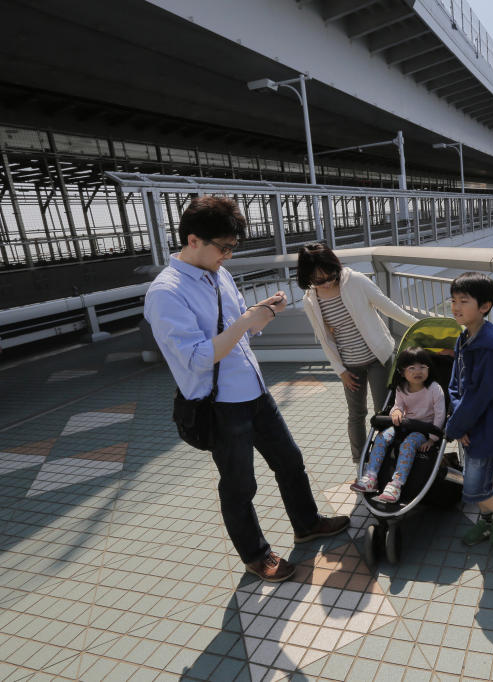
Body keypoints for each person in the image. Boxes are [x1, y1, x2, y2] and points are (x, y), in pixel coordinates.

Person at [144, 196, 349, 583]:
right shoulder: (166, 293)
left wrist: (262, 314)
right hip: (220, 404)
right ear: (193, 240)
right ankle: (256, 555)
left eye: (233, 248)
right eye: (224, 248)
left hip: (253, 389)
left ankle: (306, 523)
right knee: (240, 484)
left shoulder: (217, 272)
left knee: (290, 460)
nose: (229, 256)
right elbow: (199, 357)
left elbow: (237, 327)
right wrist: (246, 321)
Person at [298, 243, 417, 463]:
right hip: (349, 366)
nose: (326, 283)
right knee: (356, 415)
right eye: (318, 280)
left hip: (378, 359)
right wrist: (340, 370)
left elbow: (389, 308)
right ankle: (361, 462)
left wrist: (421, 326)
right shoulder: (310, 300)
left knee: (384, 412)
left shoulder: (356, 281)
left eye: (330, 276)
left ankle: (386, 459)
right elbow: (325, 339)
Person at [445, 272, 493, 548]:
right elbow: (455, 383)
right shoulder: (465, 337)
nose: (455, 307)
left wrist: (456, 427)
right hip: (472, 424)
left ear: (484, 306)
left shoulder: (489, 348)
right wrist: (460, 421)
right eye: (453, 300)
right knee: (481, 480)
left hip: (490, 427)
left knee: (475, 488)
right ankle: (488, 522)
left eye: (463, 301)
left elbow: (479, 395)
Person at [350, 347, 446, 503]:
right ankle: (371, 476)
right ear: (402, 372)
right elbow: (398, 405)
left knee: (408, 445)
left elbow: (440, 414)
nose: (418, 371)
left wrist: (433, 439)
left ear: (429, 369)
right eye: (412, 368)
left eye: (422, 367)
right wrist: (396, 412)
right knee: (381, 437)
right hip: (404, 425)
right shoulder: (402, 388)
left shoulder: (435, 389)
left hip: (423, 430)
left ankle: (396, 484)